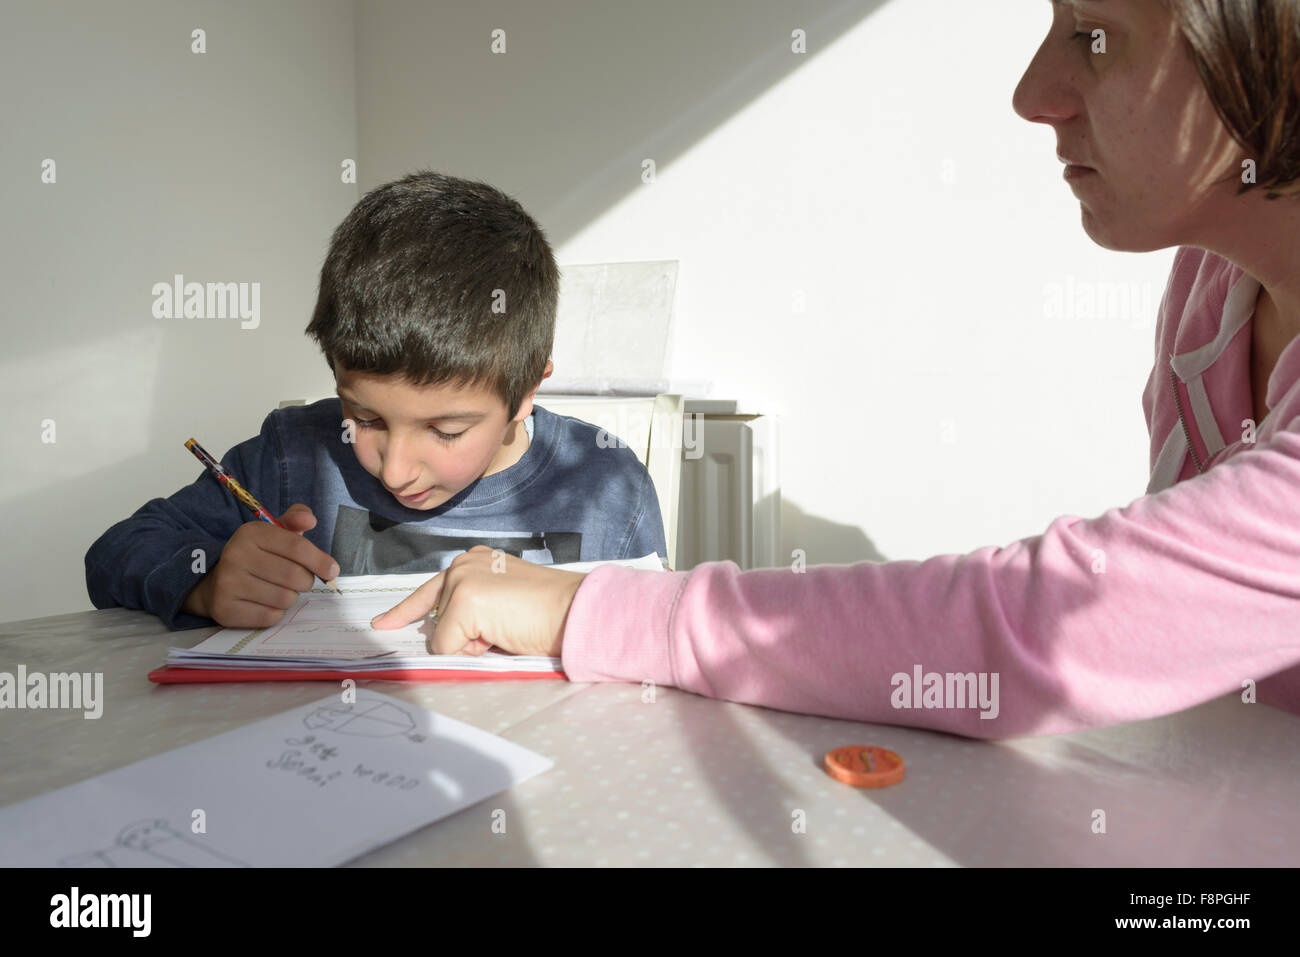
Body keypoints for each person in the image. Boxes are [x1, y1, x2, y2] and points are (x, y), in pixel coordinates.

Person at [372, 1, 1300, 736]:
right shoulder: (1214, 278)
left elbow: (1048, 627)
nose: (1033, 91)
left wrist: (598, 611)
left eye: (1093, 36)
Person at [84, 171, 667, 630]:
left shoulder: (607, 487)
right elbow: (113, 555)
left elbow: (650, 634)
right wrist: (205, 582)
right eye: (364, 418)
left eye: (446, 431)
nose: (394, 468)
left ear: (526, 392)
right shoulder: (293, 457)